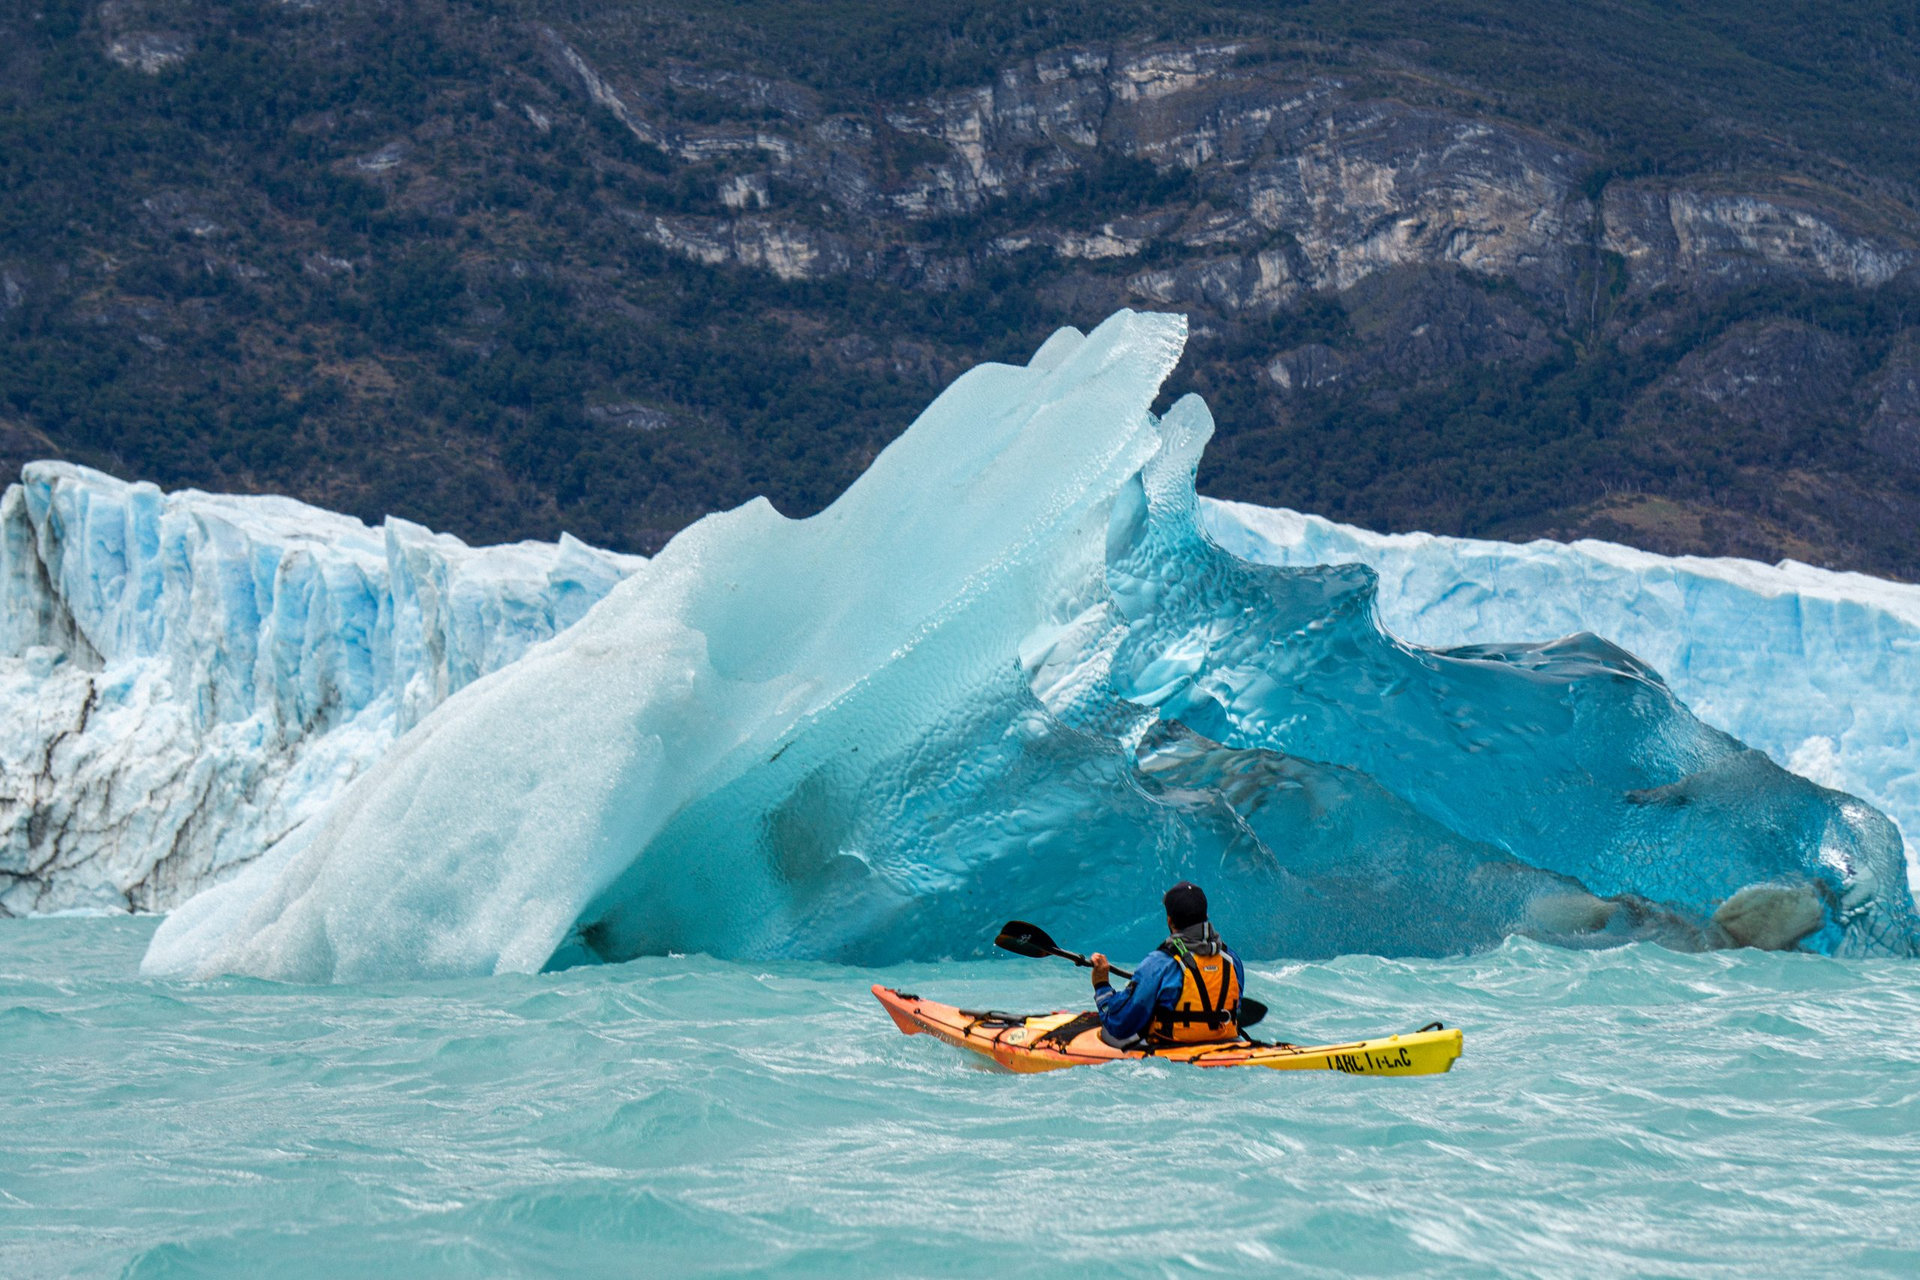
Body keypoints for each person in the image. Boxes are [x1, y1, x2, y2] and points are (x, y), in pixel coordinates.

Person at [1090, 881, 1245, 1048]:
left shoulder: (1158, 963)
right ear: (1206, 917)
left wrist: (1102, 985)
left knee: (1106, 1030)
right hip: (1226, 1044)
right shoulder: (1231, 959)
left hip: (1171, 1050)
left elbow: (1120, 1024)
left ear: (1170, 921)